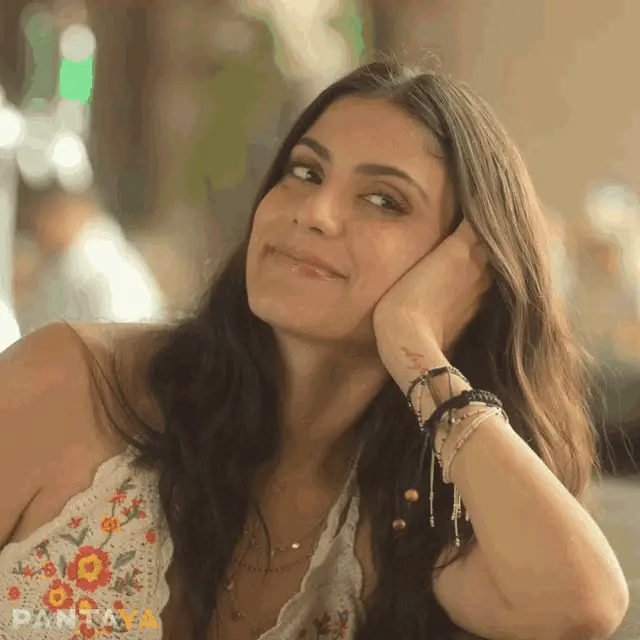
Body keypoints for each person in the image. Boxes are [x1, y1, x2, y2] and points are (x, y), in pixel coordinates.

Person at [0, 60, 629, 640]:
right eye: (305, 172)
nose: (315, 212)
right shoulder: (69, 383)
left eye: (383, 200)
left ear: (464, 273)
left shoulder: (409, 518)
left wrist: (417, 351)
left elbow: (583, 606)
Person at [15, 184, 167, 333]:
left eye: (49, 212)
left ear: (80, 209)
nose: (39, 225)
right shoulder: (56, 264)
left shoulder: (103, 270)